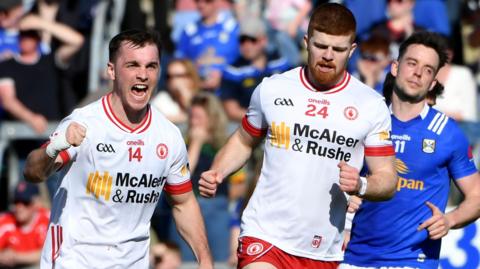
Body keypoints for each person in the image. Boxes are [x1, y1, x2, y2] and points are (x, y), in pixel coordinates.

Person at [199, 3, 398, 269]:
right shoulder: (273, 89)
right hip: (265, 234)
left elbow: (387, 178)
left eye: (338, 49)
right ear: (306, 42)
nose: (328, 55)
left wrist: (362, 185)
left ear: (351, 50)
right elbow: (244, 140)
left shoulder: (371, 105)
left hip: (322, 249)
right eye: (321, 46)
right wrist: (218, 171)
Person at [22, 29, 213, 269]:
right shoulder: (85, 123)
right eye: (133, 65)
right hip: (76, 259)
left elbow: (183, 202)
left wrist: (205, 261)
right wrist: (56, 146)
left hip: (132, 262)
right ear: (111, 70)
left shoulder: (168, 135)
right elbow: (33, 172)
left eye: (151, 66)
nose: (142, 74)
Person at [342, 31, 480, 269]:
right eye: (412, 63)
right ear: (395, 67)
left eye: (428, 70)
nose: (418, 73)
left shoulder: (447, 133)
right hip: (354, 258)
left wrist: (449, 220)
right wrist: (345, 198)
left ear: (433, 83)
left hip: (412, 261)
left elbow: (477, 196)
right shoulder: (366, 122)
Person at [220, 17, 290, 122]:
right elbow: (232, 111)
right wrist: (264, 120)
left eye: (252, 40)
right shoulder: (233, 71)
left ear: (264, 41)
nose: (246, 45)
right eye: (242, 40)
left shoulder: (279, 62)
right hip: (247, 127)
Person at [0, 181, 49, 268]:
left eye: (25, 202)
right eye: (16, 202)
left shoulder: (48, 219)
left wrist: (16, 257)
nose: (19, 207)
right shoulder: (6, 221)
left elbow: (51, 253)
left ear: (36, 204)